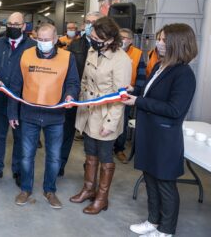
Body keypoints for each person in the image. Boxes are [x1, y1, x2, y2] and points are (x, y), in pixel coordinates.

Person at [126, 24, 198, 237]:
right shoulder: (160, 66)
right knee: (150, 180)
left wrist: (138, 101)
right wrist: (135, 91)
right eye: (159, 39)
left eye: (165, 40)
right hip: (149, 134)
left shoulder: (183, 74)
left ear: (178, 43)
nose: (159, 43)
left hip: (165, 138)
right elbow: (150, 93)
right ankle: (153, 221)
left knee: (165, 184)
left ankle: (166, 230)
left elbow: (174, 109)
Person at [9, 23, 80, 208]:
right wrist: (12, 112)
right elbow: (16, 85)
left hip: (55, 116)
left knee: (54, 157)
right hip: (29, 114)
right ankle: (25, 189)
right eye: (40, 39)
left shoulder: (67, 57)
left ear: (56, 39)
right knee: (26, 156)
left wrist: (70, 94)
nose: (43, 43)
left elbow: (73, 82)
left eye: (47, 40)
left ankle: (50, 190)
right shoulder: (26, 55)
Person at [71, 17, 131, 214]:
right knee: (90, 153)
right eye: (92, 36)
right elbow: (85, 81)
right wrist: (78, 100)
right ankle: (89, 189)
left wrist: (111, 123)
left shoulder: (121, 59)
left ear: (109, 39)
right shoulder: (92, 50)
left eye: (97, 37)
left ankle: (102, 198)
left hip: (106, 115)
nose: (93, 39)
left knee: (105, 157)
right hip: (89, 112)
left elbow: (120, 96)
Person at [0, 12, 36, 187]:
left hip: (22, 101)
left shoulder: (33, 46)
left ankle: (17, 170)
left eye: (17, 24)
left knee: (19, 137)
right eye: (10, 24)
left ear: (24, 26)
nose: (13, 27)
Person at [59, 11, 104, 176]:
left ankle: (90, 171)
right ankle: (59, 165)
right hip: (74, 95)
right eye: (88, 21)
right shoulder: (75, 45)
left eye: (95, 21)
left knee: (93, 137)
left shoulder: (106, 46)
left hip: (96, 99)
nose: (90, 24)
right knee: (66, 132)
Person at [113, 28, 144, 163]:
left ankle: (119, 149)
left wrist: (135, 91)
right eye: (119, 37)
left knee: (122, 122)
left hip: (126, 96)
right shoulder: (111, 50)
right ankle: (105, 147)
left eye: (124, 37)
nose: (121, 40)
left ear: (130, 40)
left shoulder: (138, 54)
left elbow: (142, 76)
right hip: (109, 94)